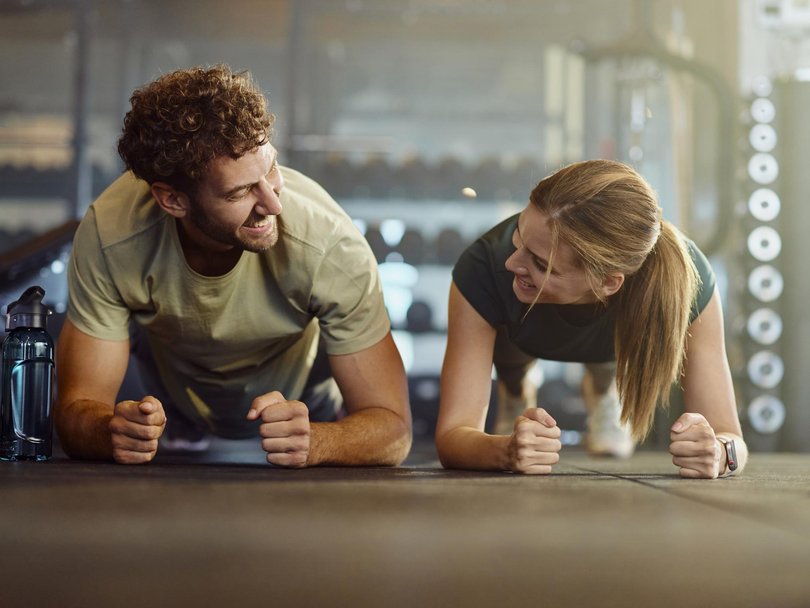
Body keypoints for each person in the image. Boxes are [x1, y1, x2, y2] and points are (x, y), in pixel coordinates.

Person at [55, 65, 411, 467]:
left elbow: (394, 432)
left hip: (304, 408)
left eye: (271, 169)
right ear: (172, 201)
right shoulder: (112, 234)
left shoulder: (329, 246)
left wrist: (319, 440)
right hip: (175, 415)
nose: (274, 204)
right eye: (241, 191)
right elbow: (75, 412)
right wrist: (111, 430)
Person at [436, 159, 747, 479]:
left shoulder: (687, 282)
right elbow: (452, 435)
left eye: (541, 264)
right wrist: (506, 450)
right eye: (519, 235)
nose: (513, 262)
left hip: (613, 338)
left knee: (608, 350)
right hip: (517, 335)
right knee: (511, 348)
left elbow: (731, 436)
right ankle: (515, 389)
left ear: (608, 282)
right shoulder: (485, 265)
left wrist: (720, 453)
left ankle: (603, 389)